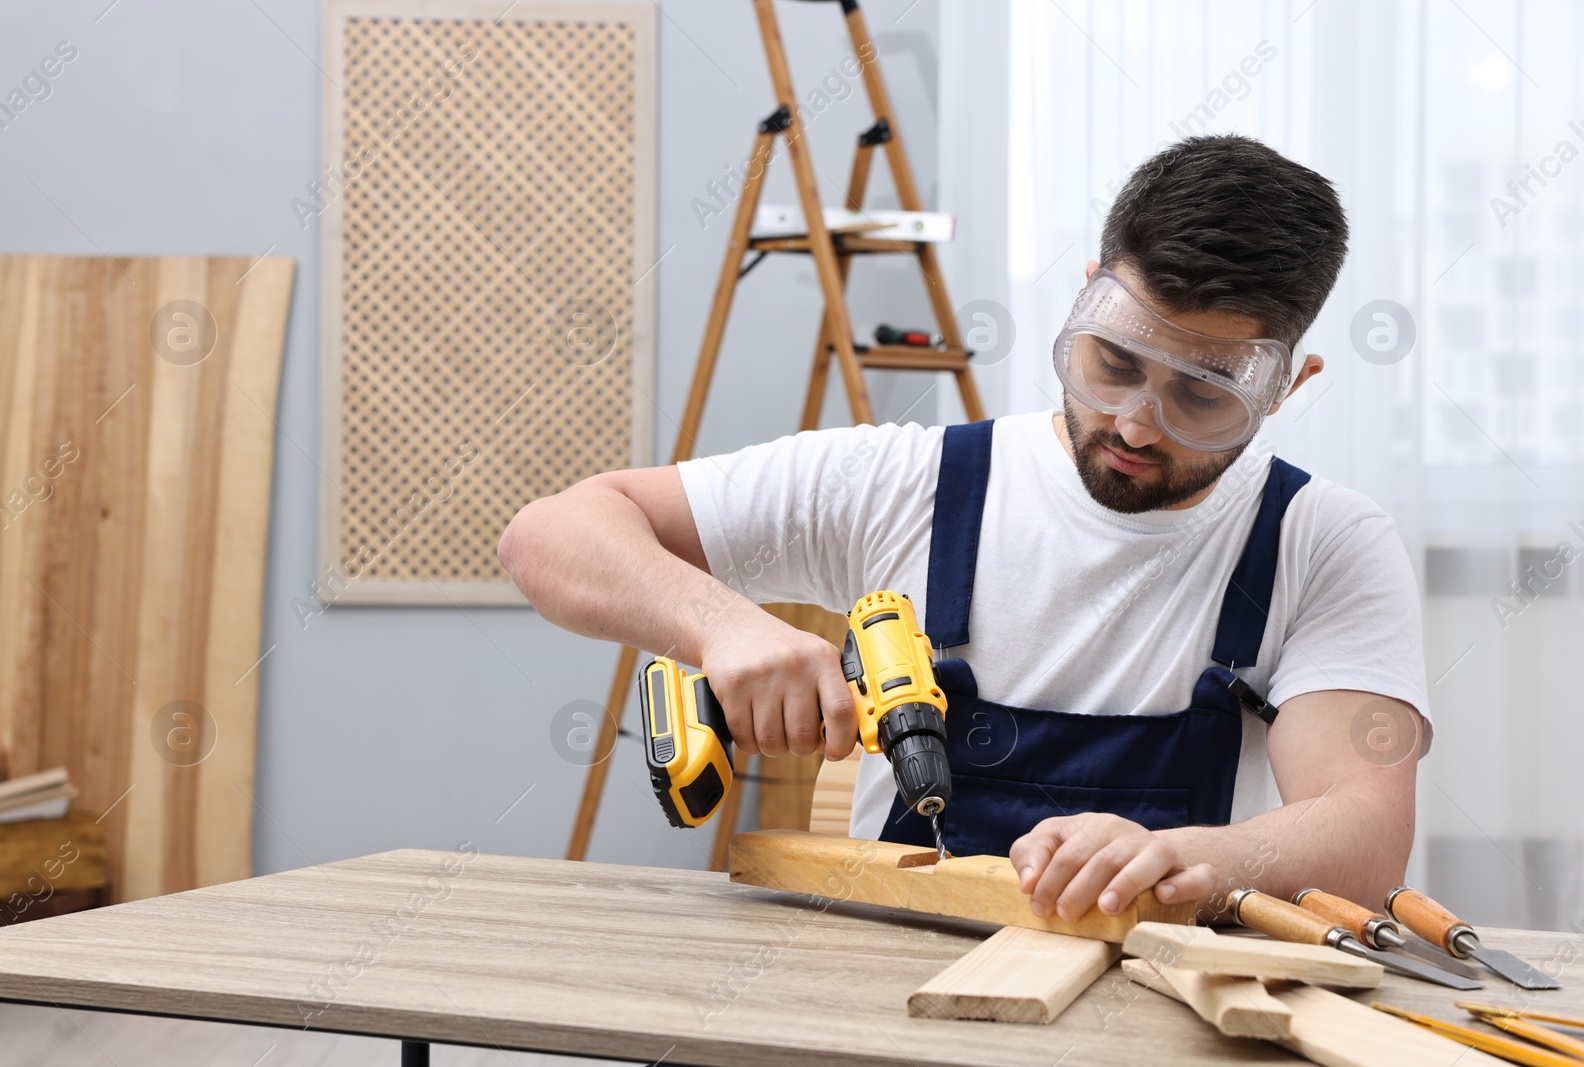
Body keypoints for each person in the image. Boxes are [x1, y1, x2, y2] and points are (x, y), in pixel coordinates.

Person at [500, 134, 1428, 925]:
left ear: (1285, 387)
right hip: (878, 1007)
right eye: (1113, 362)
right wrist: (725, 624)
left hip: (1154, 1004)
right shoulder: (910, 479)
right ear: (1089, 296)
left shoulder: (1323, 542)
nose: (1138, 424)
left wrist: (1183, 858)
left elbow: (1365, 833)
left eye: (1201, 395)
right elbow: (550, 535)